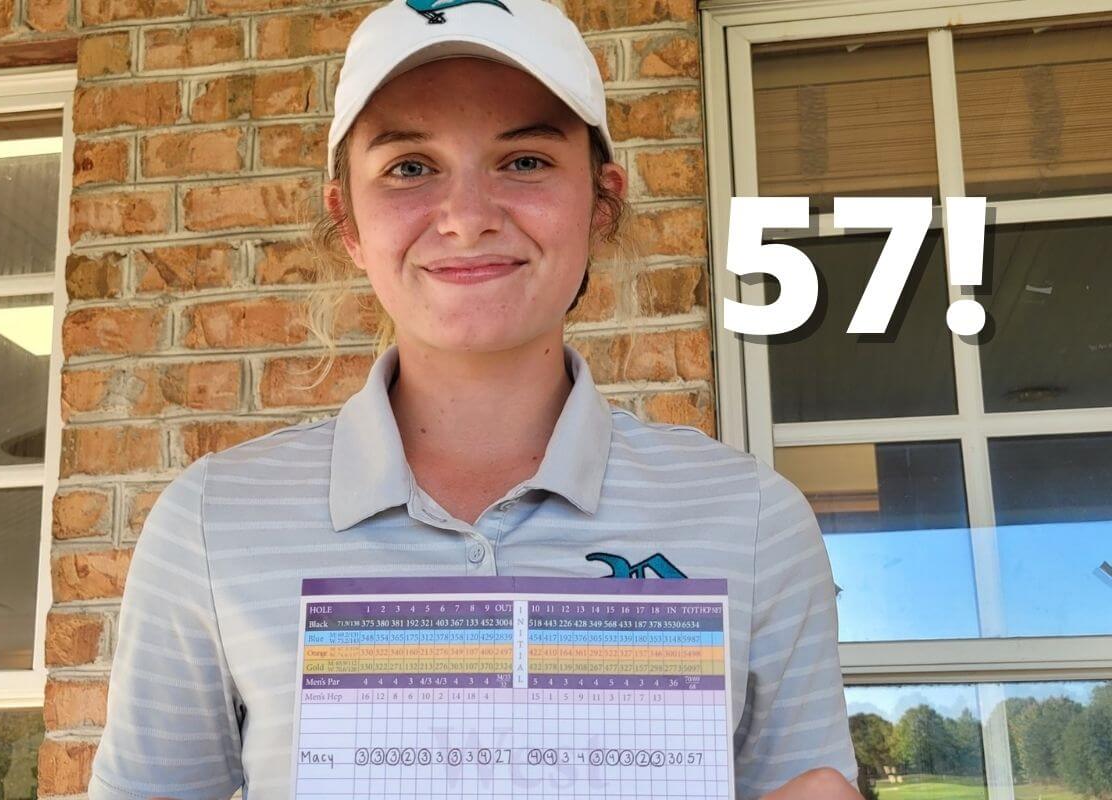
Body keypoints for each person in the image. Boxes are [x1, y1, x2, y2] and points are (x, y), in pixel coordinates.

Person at [87, 1, 862, 798]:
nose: (466, 219)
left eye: (523, 161)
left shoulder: (753, 519)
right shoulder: (212, 522)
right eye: (409, 168)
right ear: (346, 220)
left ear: (600, 203)